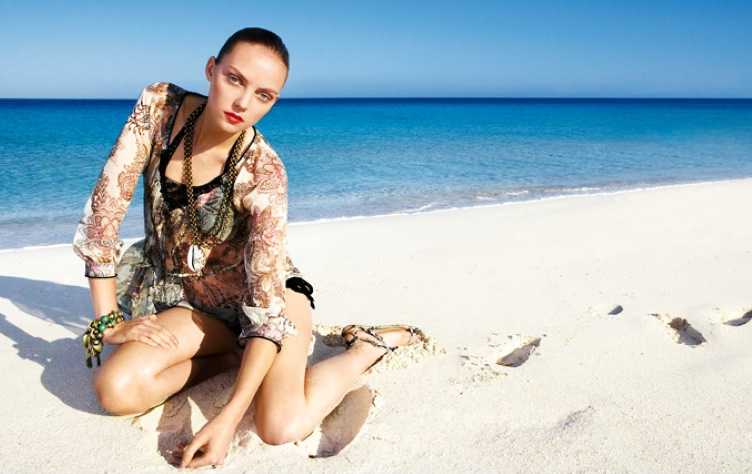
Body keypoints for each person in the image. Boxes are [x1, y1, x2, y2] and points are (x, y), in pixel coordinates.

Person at [72, 27, 426, 469]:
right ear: (211, 70)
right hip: (186, 299)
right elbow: (105, 210)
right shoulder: (159, 108)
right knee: (116, 390)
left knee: (280, 426)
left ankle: (365, 349)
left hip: (267, 300)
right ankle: (229, 357)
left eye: (263, 95)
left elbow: (264, 304)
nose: (242, 102)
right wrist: (108, 322)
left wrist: (226, 419)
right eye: (234, 79)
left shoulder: (263, 174)